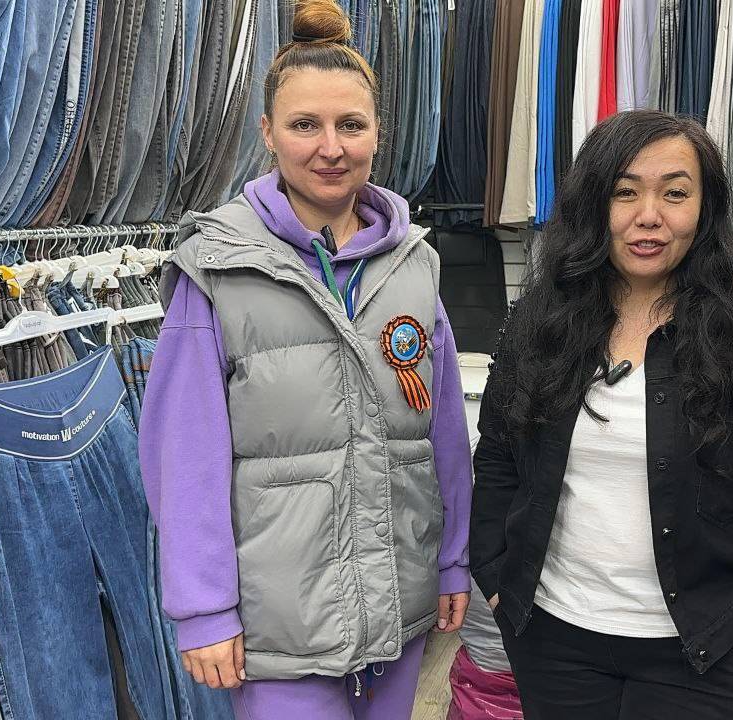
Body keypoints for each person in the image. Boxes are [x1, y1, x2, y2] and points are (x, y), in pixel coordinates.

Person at [138, 2, 473, 718]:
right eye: (304, 125)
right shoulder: (218, 269)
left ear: (378, 131)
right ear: (267, 133)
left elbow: (441, 435)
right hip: (280, 625)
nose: (331, 148)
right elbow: (184, 453)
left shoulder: (414, 265)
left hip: (398, 604)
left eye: (351, 125)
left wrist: (452, 558)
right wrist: (203, 608)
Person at [469, 110, 733, 719]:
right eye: (625, 192)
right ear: (594, 204)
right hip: (554, 638)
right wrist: (494, 573)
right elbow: (499, 454)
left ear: (705, 208)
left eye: (674, 193)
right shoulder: (541, 322)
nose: (649, 216)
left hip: (704, 650)